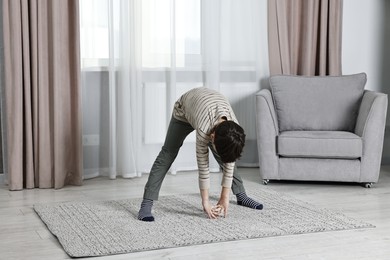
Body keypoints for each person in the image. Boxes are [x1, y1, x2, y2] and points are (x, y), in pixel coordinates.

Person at [138, 87, 263, 221]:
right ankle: (146, 203)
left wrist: (224, 198)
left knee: (228, 154)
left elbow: (229, 161)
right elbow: (203, 166)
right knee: (168, 153)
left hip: (208, 108)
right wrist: (205, 202)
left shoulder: (234, 129)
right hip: (184, 110)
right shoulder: (204, 130)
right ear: (213, 136)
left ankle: (241, 195)